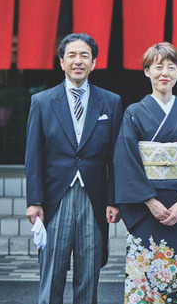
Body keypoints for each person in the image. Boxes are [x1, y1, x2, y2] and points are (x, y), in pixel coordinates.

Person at [25, 33, 123, 304]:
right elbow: (33, 156)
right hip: (55, 197)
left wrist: (114, 200)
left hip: (94, 197)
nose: (78, 61)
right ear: (61, 62)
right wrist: (34, 201)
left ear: (94, 63)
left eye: (84, 56)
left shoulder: (111, 102)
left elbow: (116, 157)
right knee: (51, 275)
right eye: (72, 55)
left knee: (89, 276)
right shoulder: (42, 101)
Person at [113, 42, 177, 304]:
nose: (164, 72)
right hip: (144, 205)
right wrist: (150, 201)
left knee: (174, 276)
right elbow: (126, 160)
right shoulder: (133, 113)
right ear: (147, 71)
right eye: (158, 66)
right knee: (142, 277)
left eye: (171, 67)